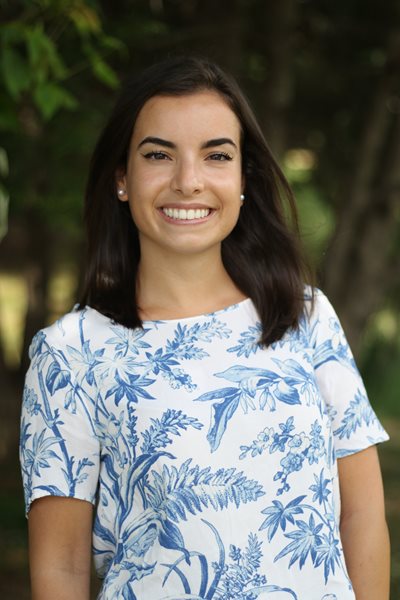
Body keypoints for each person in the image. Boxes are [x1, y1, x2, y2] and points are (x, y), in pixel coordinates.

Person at [20, 56, 390, 600]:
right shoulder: (71, 353)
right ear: (122, 179)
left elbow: (362, 517)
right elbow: (62, 566)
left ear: (243, 179)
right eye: (158, 155)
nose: (188, 181)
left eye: (216, 155)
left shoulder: (305, 316)